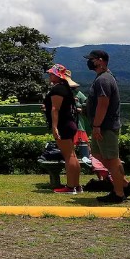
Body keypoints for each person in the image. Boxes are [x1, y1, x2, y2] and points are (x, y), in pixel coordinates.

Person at [84, 49, 130, 203]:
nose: (90, 62)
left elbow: (103, 103)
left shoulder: (104, 79)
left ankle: (119, 193)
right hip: (102, 125)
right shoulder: (103, 77)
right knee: (98, 155)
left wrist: (96, 126)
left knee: (112, 160)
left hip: (104, 127)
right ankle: (126, 185)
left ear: (101, 60)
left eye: (92, 59)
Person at [43, 64, 82, 194]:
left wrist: (54, 127)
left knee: (68, 156)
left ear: (58, 75)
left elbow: (56, 109)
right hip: (70, 124)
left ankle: (70, 187)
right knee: (72, 155)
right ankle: (76, 185)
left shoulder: (57, 89)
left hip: (63, 125)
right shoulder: (65, 89)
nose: (50, 75)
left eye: (52, 74)